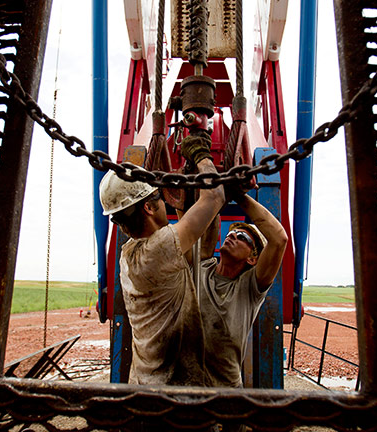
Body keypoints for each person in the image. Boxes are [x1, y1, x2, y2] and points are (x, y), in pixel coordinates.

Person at [98, 131, 224, 386]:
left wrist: (183, 204)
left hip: (144, 385)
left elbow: (199, 249)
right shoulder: (159, 249)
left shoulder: (130, 254)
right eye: (160, 197)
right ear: (148, 206)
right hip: (172, 392)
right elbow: (215, 197)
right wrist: (201, 155)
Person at [196, 190, 288, 389]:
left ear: (252, 259)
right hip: (184, 387)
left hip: (225, 393)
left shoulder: (249, 288)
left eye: (242, 238)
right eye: (230, 234)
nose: (232, 236)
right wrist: (216, 190)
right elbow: (206, 219)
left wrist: (238, 194)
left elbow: (279, 239)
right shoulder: (203, 267)